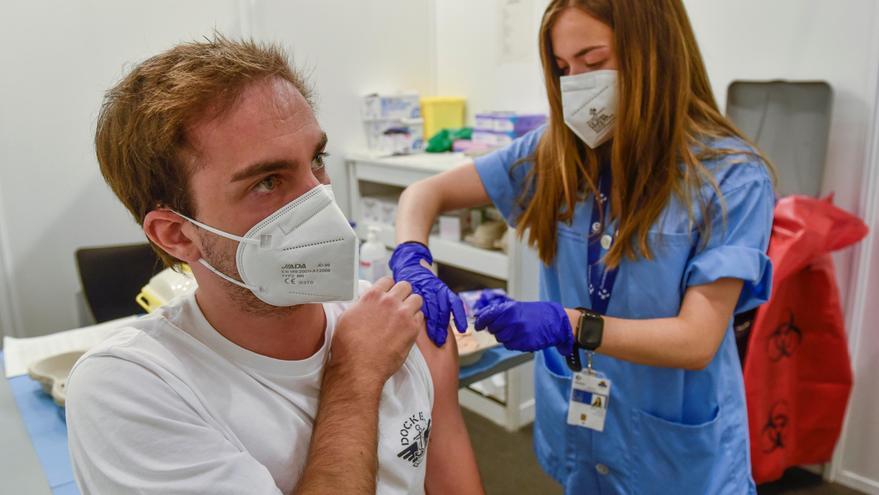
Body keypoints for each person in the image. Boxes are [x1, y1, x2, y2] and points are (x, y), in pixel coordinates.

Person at [66, 36, 483, 495]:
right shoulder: (129, 389)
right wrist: (354, 374)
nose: (321, 200)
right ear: (178, 234)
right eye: (268, 181)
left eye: (317, 161)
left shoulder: (388, 320)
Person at [391, 1, 775, 493]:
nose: (576, 83)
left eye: (593, 62)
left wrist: (566, 324)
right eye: (563, 68)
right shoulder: (553, 153)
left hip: (674, 450)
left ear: (654, 51)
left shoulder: (730, 177)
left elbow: (696, 340)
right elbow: (424, 194)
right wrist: (412, 258)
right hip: (586, 432)